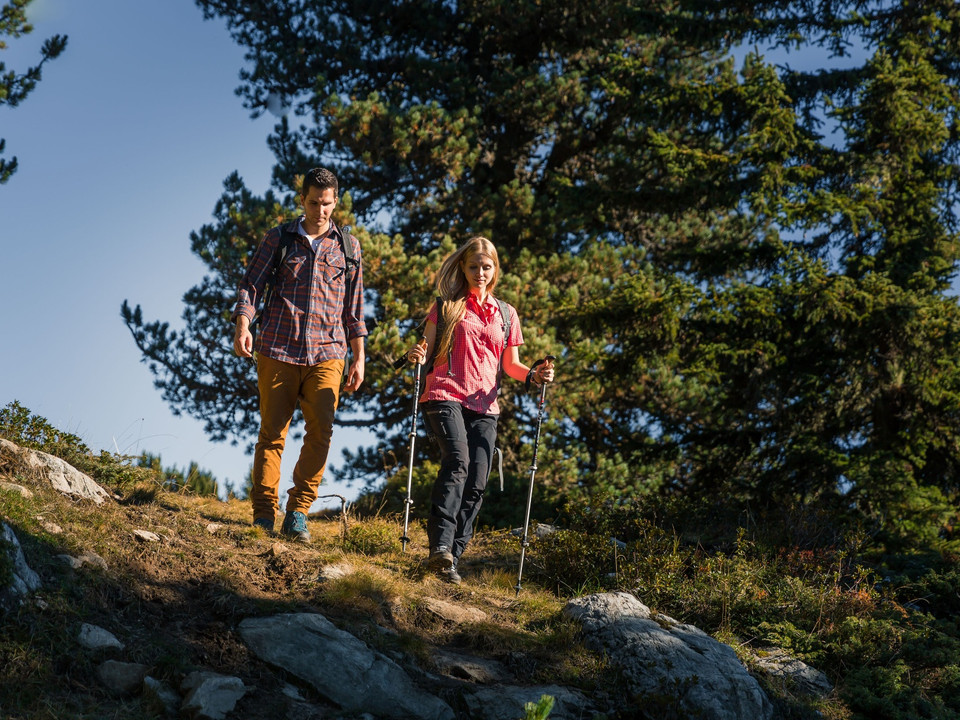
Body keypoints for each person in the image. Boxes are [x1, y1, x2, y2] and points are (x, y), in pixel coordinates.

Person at [405, 236, 555, 583]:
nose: (480, 273)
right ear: (463, 267)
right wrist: (418, 354)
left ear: (495, 269)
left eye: (486, 267)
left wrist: (534, 375)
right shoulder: (446, 306)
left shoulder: (506, 313)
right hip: (445, 392)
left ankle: (451, 558)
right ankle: (439, 547)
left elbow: (512, 365)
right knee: (458, 462)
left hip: (486, 405)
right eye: (474, 266)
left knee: (477, 482)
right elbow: (426, 347)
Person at [232, 167, 366, 542]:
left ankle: (298, 513)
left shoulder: (349, 248)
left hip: (329, 351)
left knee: (321, 431)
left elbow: (354, 311)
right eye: (312, 202)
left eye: (326, 204)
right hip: (278, 347)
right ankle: (263, 514)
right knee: (272, 433)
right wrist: (243, 324)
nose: (319, 210)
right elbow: (251, 286)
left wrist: (359, 357)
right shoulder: (279, 238)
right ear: (302, 199)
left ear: (335, 201)